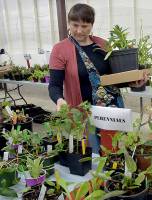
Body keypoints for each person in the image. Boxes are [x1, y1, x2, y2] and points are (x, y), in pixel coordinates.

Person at [48, 3, 146, 153]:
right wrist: (59, 100)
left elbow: (113, 79)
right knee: (89, 155)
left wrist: (134, 82)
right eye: (75, 25)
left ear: (92, 25)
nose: (79, 30)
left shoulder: (102, 44)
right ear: (69, 23)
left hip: (109, 111)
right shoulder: (60, 49)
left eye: (85, 26)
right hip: (82, 113)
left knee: (110, 152)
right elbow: (54, 85)